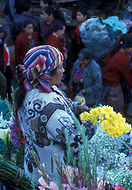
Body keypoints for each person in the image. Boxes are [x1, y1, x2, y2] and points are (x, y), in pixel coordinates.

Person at [14, 45, 86, 181]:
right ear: (46, 73)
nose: (64, 71)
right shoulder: (50, 107)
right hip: (52, 178)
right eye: (60, 67)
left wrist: (75, 106)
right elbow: (75, 140)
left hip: (35, 168)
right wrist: (94, 121)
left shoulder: (31, 87)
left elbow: (59, 99)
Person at [101, 34, 132, 117]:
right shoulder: (122, 58)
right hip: (112, 84)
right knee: (117, 106)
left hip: (106, 82)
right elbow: (128, 76)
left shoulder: (114, 51)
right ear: (126, 47)